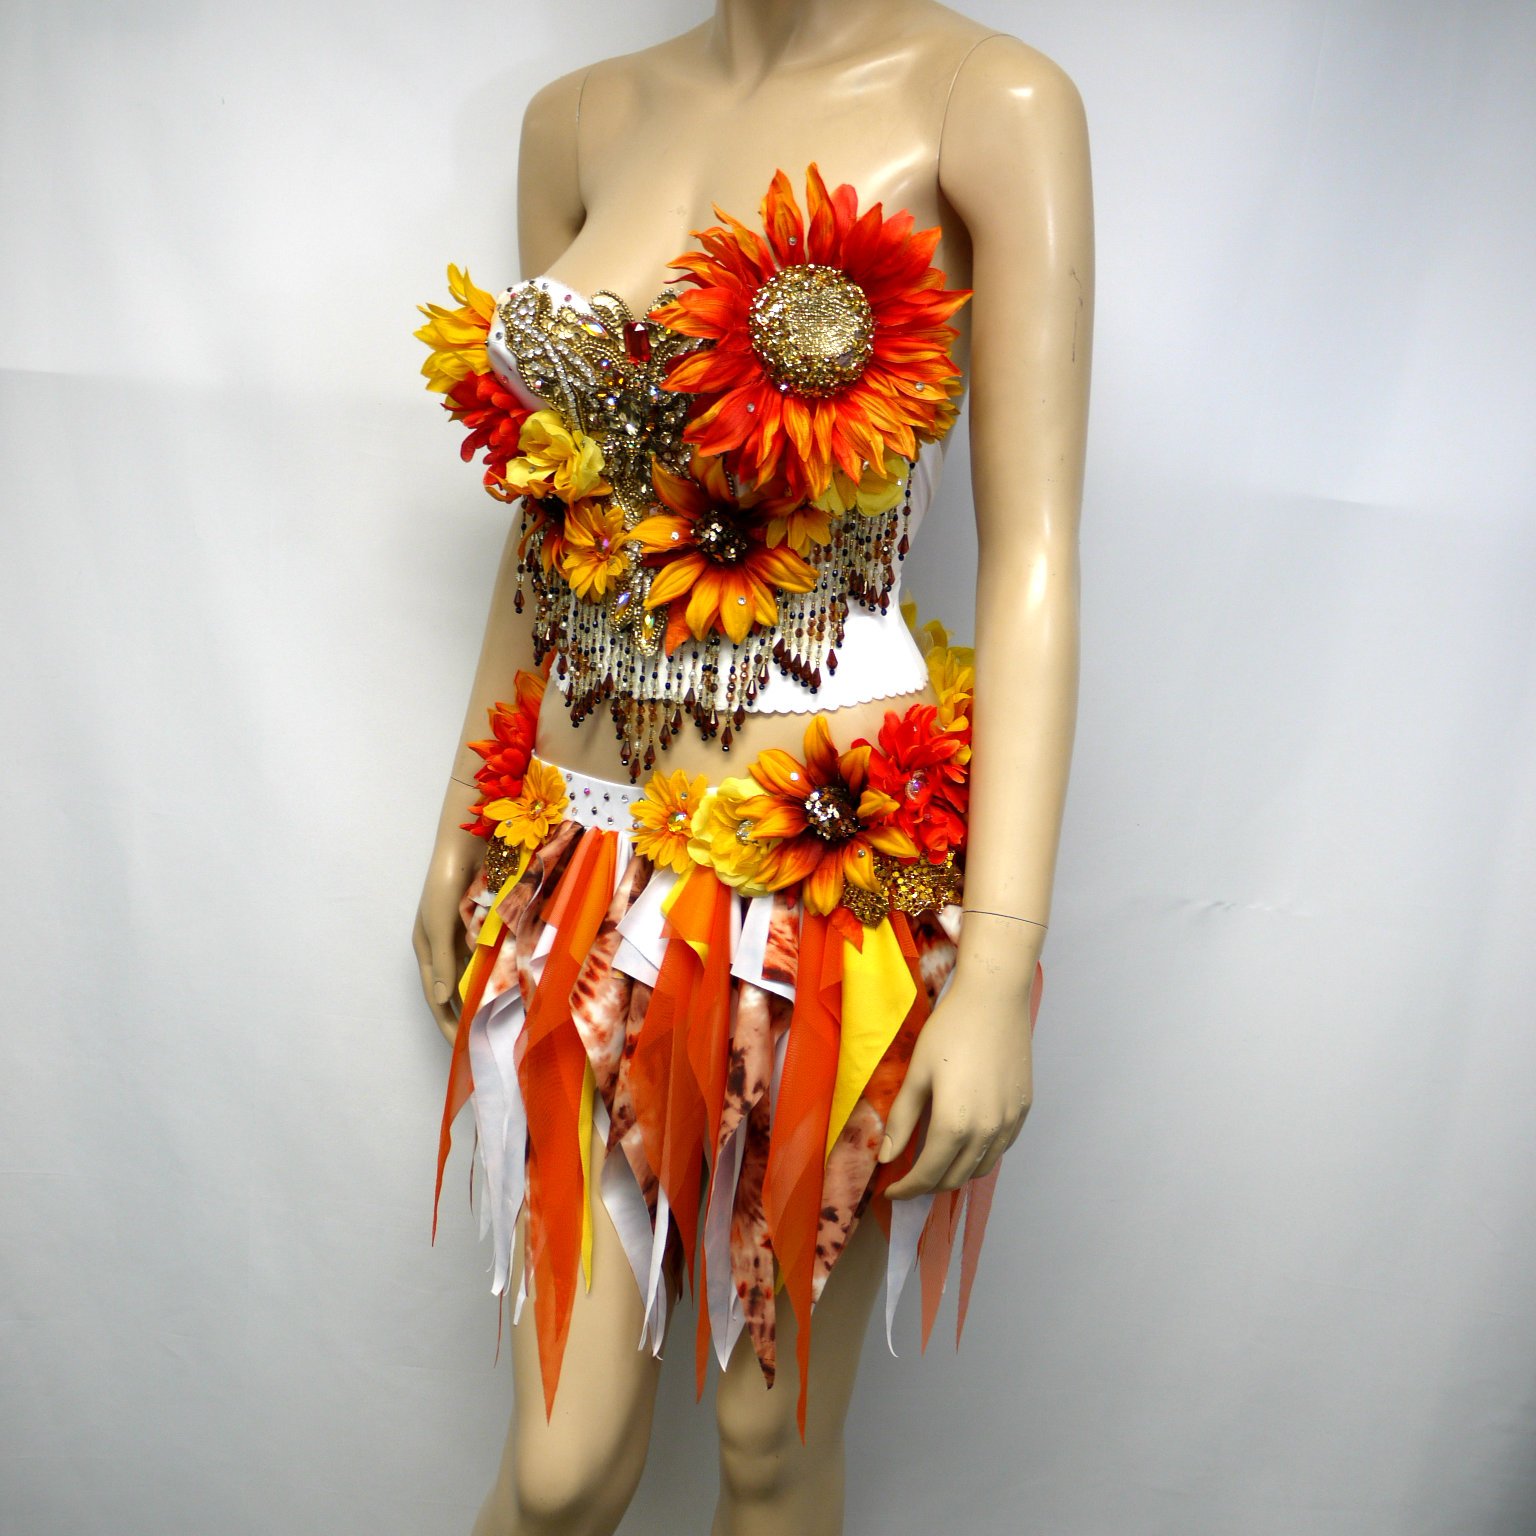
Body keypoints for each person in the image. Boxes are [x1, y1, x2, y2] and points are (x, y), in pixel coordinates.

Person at [411, 2, 1091, 1532]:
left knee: (765, 1450)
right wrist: (464, 809)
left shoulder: (990, 100)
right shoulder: (577, 119)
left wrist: (998, 966)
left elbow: (1036, 555)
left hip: (821, 886)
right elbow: (552, 510)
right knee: (560, 1473)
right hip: (575, 861)